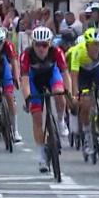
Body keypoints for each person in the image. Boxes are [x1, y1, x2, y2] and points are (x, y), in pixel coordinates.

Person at [19, 26, 72, 173]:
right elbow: (24, 79)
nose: (41, 49)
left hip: (51, 76)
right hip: (33, 81)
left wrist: (68, 93)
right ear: (32, 44)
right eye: (37, 45)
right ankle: (41, 155)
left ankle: (61, 121)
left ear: (50, 44)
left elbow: (65, 74)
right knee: (36, 118)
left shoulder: (57, 52)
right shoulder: (26, 55)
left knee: (59, 93)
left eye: (44, 45)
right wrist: (27, 98)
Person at [0, 26, 22, 144]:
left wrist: (16, 78)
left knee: (9, 97)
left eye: (0, 42)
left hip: (4, 69)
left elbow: (14, 62)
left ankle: (15, 130)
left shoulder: (8, 46)